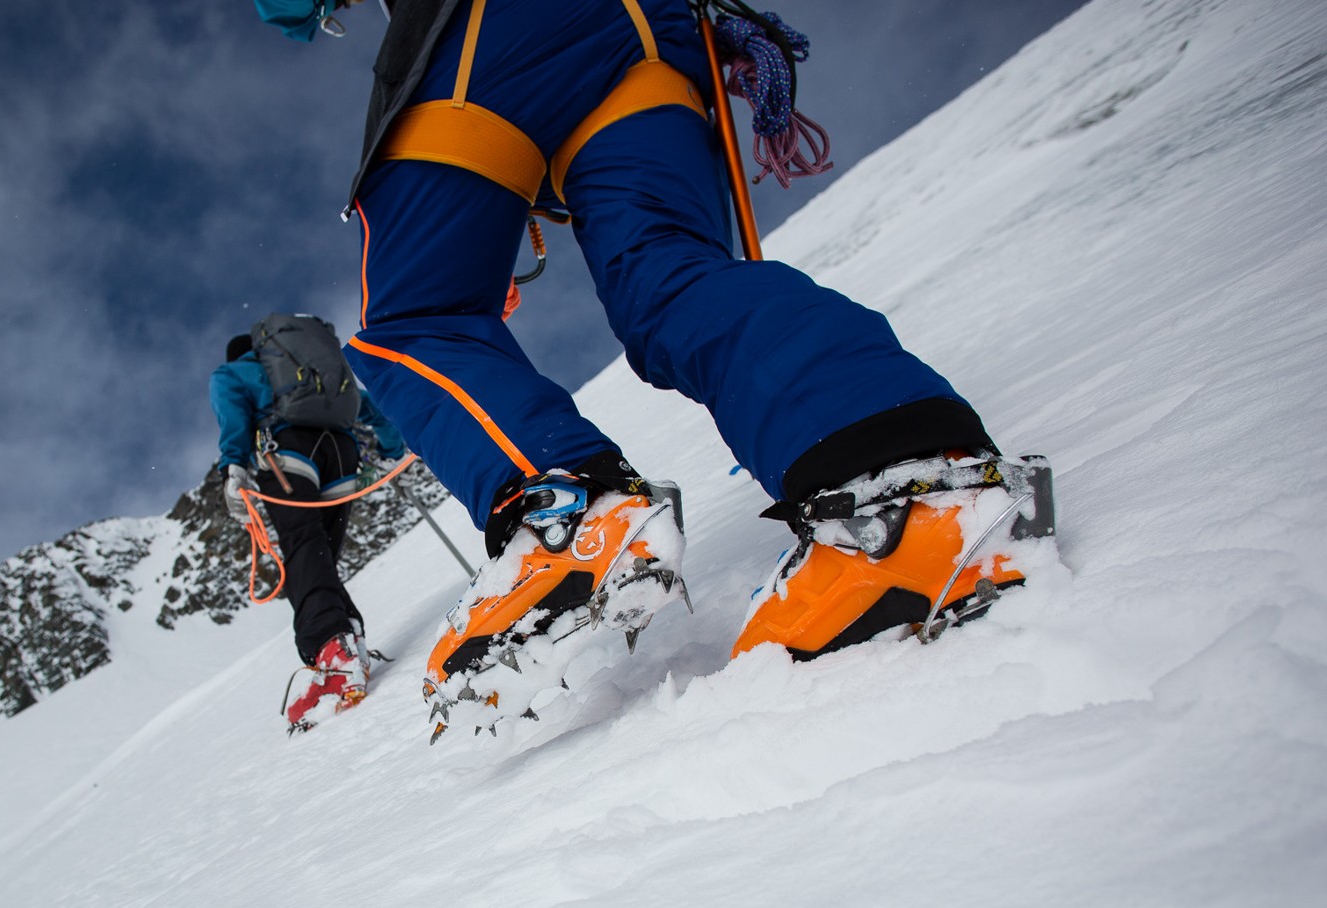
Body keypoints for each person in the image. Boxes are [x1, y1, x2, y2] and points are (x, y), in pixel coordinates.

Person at [252, 1, 1054, 725]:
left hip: (482, 35)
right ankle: (906, 489)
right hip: (646, 32)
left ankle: (567, 516)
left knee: (416, 319)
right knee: (668, 275)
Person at [212, 322, 410, 732]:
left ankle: (333, 655)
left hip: (287, 454)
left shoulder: (233, 373)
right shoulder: (308, 367)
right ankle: (348, 638)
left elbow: (233, 416)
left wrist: (234, 468)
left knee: (304, 549)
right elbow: (364, 404)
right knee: (317, 557)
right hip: (340, 453)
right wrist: (391, 448)